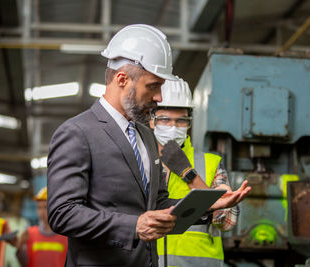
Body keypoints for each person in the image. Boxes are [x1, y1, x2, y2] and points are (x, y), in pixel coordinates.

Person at [47, 24, 251, 267]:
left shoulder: (145, 137)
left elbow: (159, 204)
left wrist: (208, 203)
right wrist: (134, 225)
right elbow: (63, 213)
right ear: (122, 79)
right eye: (153, 86)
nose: (158, 98)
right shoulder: (77, 133)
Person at [150, 78, 240, 267]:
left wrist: (189, 173)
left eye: (181, 120)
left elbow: (226, 222)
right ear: (152, 120)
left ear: (189, 123)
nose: (173, 127)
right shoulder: (138, 161)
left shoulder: (209, 163)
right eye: (165, 119)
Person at [16, 187, 67, 267]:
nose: (42, 212)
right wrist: (20, 247)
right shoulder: (30, 233)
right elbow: (25, 263)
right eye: (39, 207)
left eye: (45, 207)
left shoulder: (65, 235)